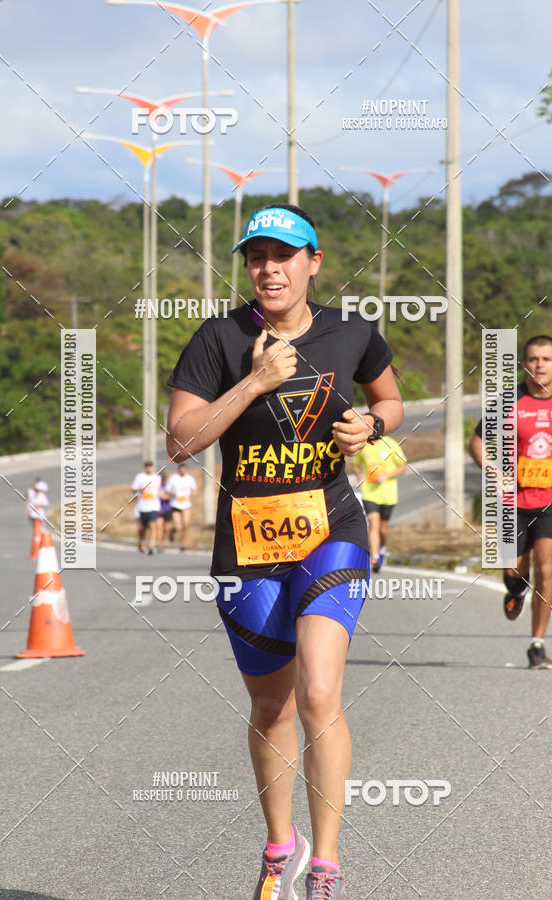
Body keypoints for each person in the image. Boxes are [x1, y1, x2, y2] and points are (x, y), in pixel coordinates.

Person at [166, 203, 403, 899]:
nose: (269, 269)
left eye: (284, 256)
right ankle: (282, 846)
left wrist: (371, 424)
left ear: (313, 263)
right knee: (270, 705)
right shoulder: (219, 338)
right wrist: (255, 381)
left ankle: (324, 865)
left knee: (320, 691)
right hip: (248, 544)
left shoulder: (352, 332)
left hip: (331, 528)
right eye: (257, 258)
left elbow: (389, 401)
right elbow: (181, 441)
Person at [468, 335, 552, 669]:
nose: (540, 365)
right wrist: (492, 470)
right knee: (515, 572)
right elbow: (477, 443)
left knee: (547, 570)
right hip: (512, 503)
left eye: (546, 359)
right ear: (524, 364)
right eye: (533, 359)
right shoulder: (507, 402)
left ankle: (537, 644)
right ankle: (515, 589)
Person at [353, 436, 407, 572]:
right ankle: (375, 557)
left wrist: (386, 476)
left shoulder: (391, 444)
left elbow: (403, 467)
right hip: (369, 493)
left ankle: (382, 548)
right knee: (373, 522)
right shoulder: (364, 445)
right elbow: (355, 463)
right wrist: (360, 475)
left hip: (388, 494)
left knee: (383, 529)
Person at [165, 462, 197, 552]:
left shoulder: (190, 479)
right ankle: (172, 531)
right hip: (175, 505)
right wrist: (173, 493)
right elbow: (167, 491)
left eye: (184, 469)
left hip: (186, 505)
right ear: (178, 470)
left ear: (186, 470)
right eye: (181, 469)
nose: (183, 471)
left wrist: (193, 493)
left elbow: (194, 490)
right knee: (178, 526)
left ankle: (183, 544)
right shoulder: (173, 478)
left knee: (186, 524)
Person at [131, 461, 161, 555]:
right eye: (147, 466)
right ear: (145, 467)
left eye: (150, 466)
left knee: (153, 525)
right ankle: (141, 542)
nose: (149, 468)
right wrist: (141, 489)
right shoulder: (139, 477)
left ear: (152, 467)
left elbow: (159, 490)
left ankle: (151, 546)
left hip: (154, 506)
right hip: (142, 506)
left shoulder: (157, 477)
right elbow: (133, 489)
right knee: (142, 528)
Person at [155, 470, 174, 552]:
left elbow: (171, 495)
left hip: (168, 509)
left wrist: (168, 494)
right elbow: (161, 496)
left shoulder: (169, 486)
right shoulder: (157, 486)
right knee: (159, 528)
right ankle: (160, 545)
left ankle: (163, 541)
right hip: (159, 509)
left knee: (166, 529)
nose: (163, 480)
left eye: (165, 479)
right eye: (162, 479)